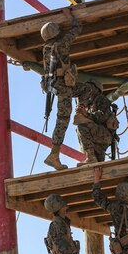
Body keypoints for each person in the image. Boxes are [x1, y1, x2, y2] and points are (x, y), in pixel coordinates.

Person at [41, 10, 82, 170]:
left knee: (85, 91)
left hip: (55, 85)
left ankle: (54, 154)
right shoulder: (60, 44)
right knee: (63, 119)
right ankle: (54, 154)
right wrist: (72, 15)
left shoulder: (45, 48)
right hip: (64, 87)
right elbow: (77, 28)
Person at [73, 79, 119, 166]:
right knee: (99, 165)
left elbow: (102, 116)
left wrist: (87, 114)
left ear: (97, 89)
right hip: (99, 137)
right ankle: (92, 159)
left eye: (91, 87)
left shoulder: (101, 99)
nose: (89, 90)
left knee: (81, 127)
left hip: (104, 134)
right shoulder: (89, 104)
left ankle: (90, 157)